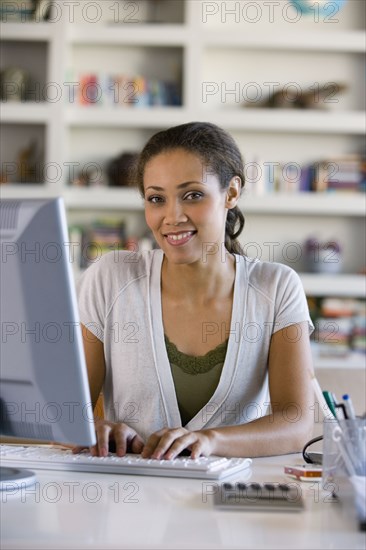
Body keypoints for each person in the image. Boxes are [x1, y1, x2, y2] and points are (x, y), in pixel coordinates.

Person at [77, 121, 315, 460]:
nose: (172, 216)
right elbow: (69, 412)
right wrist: (92, 427)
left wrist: (210, 441)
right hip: (127, 500)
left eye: (192, 195)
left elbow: (296, 423)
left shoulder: (276, 287)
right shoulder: (110, 278)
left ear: (231, 193)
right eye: (156, 198)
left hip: (227, 501)